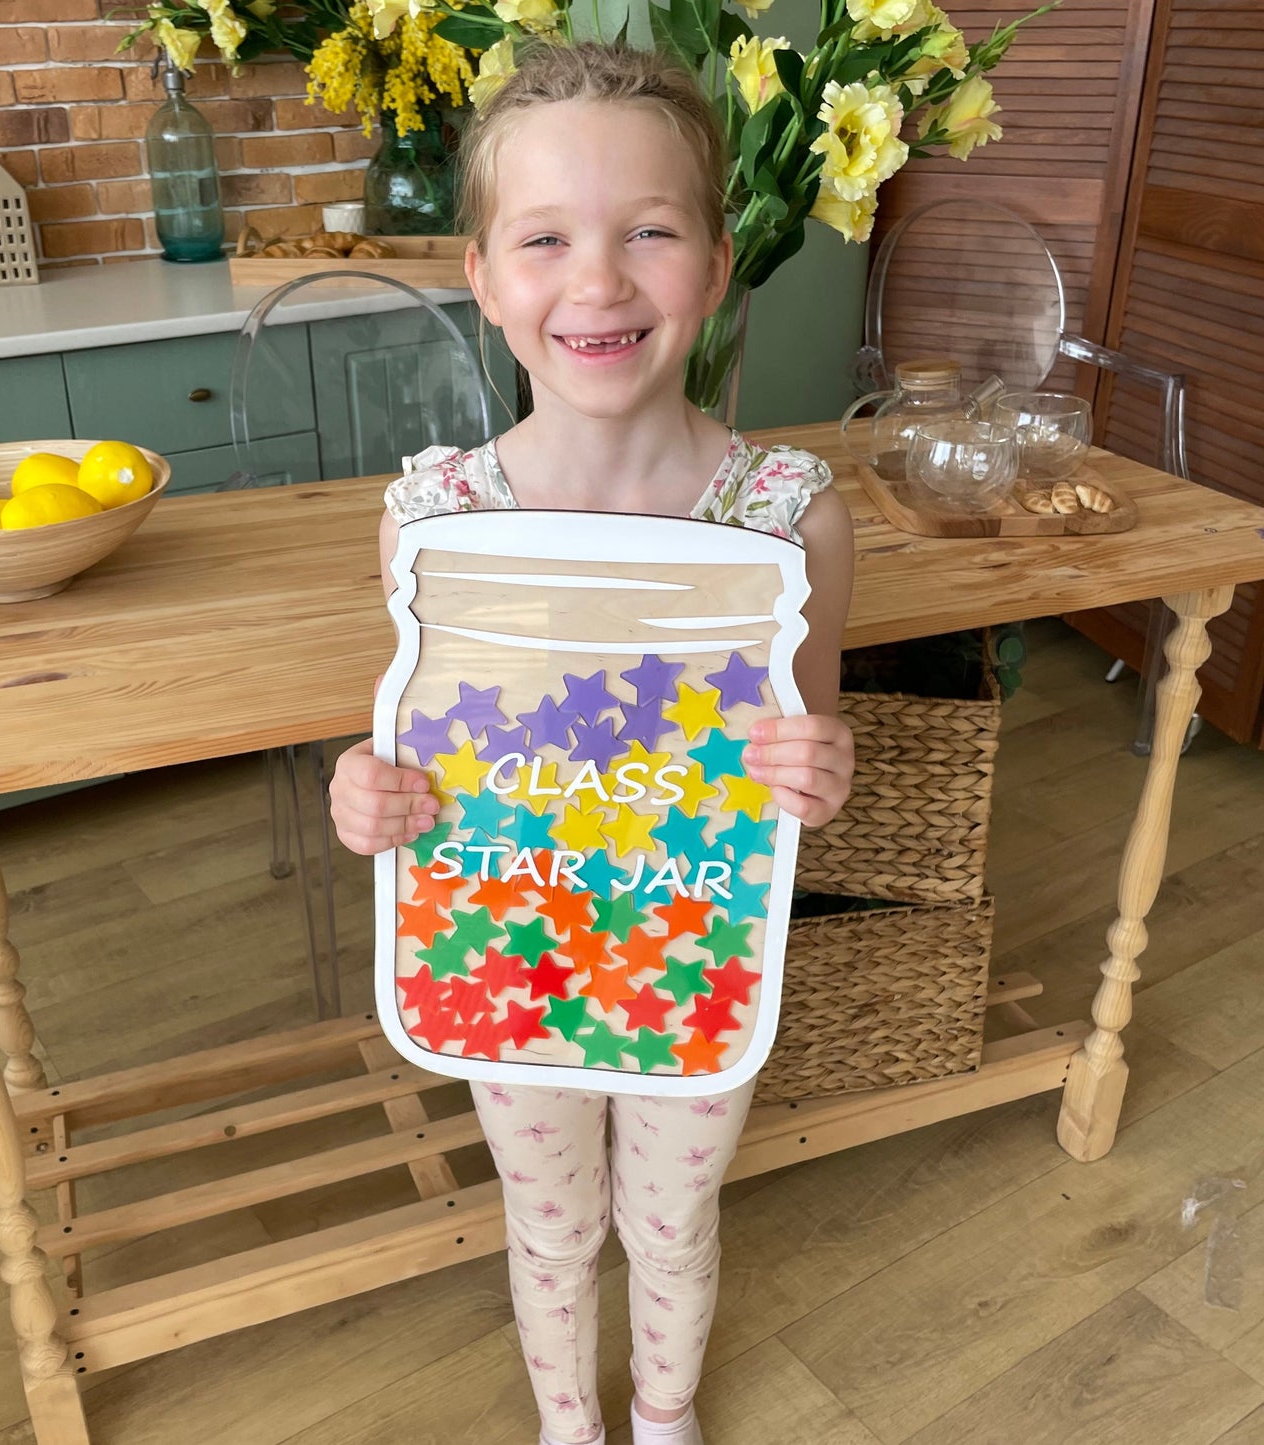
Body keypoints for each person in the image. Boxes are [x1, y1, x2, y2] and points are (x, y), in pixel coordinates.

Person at [329, 42, 856, 1445]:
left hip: (691, 938)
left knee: (673, 1210)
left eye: (650, 231)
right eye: (546, 237)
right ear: (483, 274)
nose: (599, 279)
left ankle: (665, 1412)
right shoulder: (434, 518)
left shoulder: (785, 516)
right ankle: (572, 1421)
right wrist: (368, 794)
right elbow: (413, 737)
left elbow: (809, 744)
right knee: (549, 1217)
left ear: (718, 260)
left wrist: (819, 768)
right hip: (509, 940)